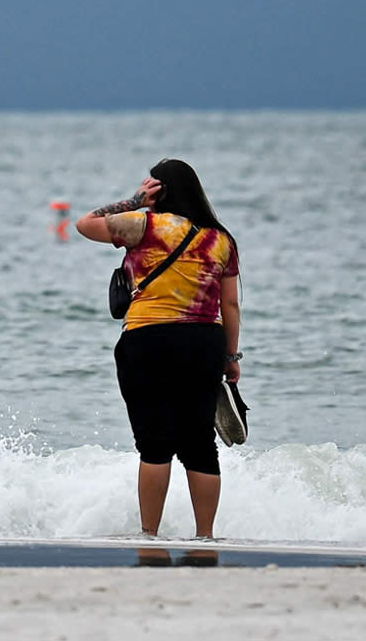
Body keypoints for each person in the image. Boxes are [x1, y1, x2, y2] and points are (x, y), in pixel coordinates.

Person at [76, 158, 242, 538]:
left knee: (154, 444)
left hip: (147, 339)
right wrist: (231, 357)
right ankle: (205, 536)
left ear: (158, 191)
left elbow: (85, 224)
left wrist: (133, 200)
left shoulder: (144, 225)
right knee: (200, 444)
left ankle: (149, 533)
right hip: (203, 342)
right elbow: (230, 305)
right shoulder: (220, 239)